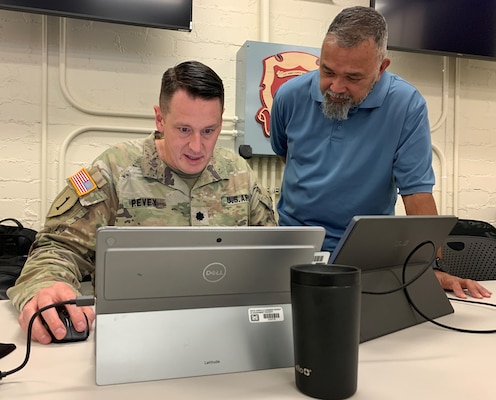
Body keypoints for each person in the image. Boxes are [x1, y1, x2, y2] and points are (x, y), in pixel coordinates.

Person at [8, 60, 276, 344]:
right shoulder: (114, 169)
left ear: (221, 121)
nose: (197, 147)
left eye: (209, 131)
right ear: (160, 119)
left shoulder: (239, 174)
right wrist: (48, 285)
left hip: (226, 334)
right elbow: (57, 247)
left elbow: (273, 253)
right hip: (133, 335)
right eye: (184, 130)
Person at [270, 6, 491, 300]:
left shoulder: (406, 105)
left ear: (381, 68)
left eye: (353, 77)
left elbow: (417, 195)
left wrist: (430, 267)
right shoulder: (289, 96)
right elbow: (287, 155)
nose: (336, 87)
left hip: (366, 254)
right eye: (327, 70)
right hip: (294, 248)